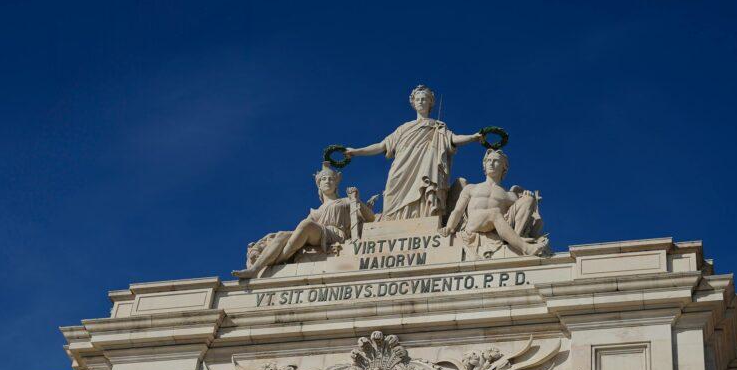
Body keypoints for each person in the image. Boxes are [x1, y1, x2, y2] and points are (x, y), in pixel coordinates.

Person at [343, 85, 481, 220]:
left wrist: (473, 137)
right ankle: (392, 222)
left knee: (423, 190)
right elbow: (381, 146)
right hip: (402, 167)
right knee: (391, 194)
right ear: (413, 103)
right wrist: (355, 151)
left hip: (425, 167)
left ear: (430, 102)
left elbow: (454, 139)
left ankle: (423, 219)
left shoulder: (437, 126)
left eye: (424, 99)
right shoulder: (404, 128)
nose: (421, 101)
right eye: (418, 99)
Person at [233, 164, 376, 278]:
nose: (327, 181)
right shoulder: (316, 211)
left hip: (335, 234)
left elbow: (371, 218)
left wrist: (356, 200)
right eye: (324, 179)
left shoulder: (345, 201)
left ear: (336, 183)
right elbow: (299, 233)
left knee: (306, 225)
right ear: (319, 185)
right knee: (283, 234)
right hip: (317, 233)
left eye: (331, 179)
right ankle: (256, 269)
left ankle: (278, 260)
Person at [440, 149, 547, 256]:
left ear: (504, 167)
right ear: (484, 165)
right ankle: (526, 248)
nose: (491, 163)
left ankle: (514, 240)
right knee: (494, 213)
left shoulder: (509, 194)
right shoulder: (471, 188)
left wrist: (528, 196)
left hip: (497, 223)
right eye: (488, 160)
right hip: (474, 224)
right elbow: (458, 210)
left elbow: (523, 210)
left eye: (496, 161)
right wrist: (449, 227)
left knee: (527, 199)